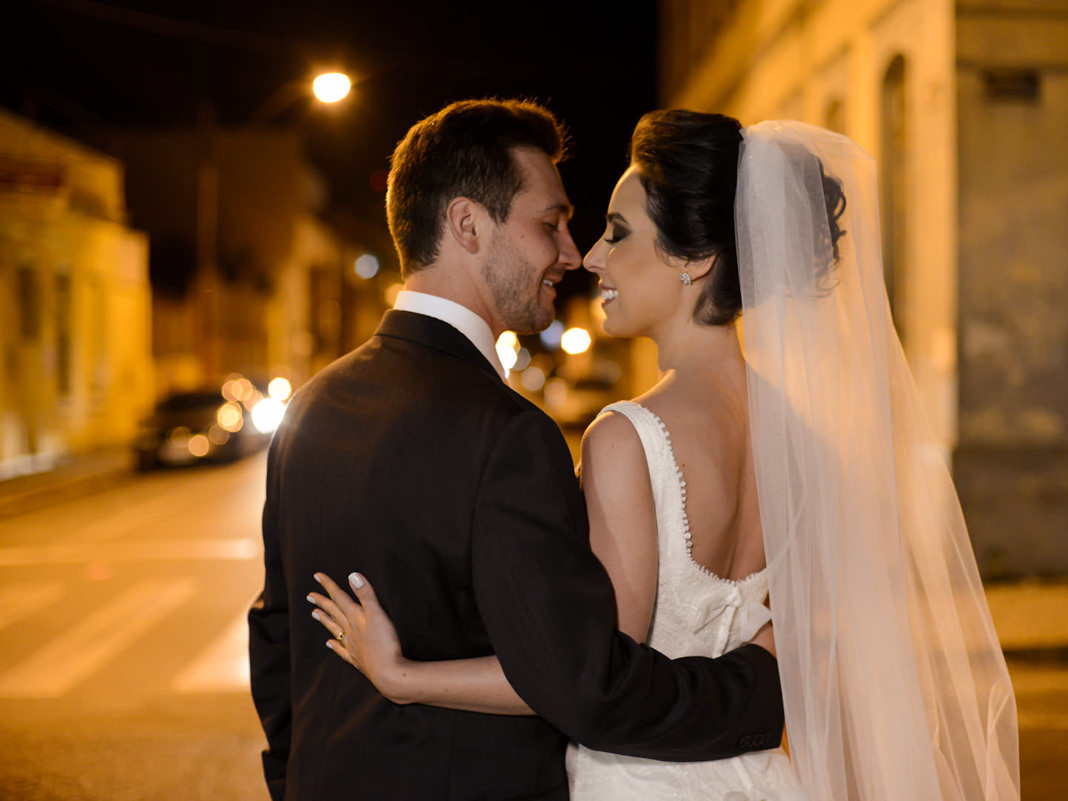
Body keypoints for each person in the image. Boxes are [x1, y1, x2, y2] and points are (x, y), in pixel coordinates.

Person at [311, 110, 1022, 801]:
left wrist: (404, 675)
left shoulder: (629, 436)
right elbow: (809, 631)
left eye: (617, 235)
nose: (589, 256)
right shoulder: (802, 434)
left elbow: (590, 682)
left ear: (696, 259)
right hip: (766, 777)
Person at [247, 99, 785, 801]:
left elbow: (277, 640)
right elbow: (584, 681)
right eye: (551, 223)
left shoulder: (308, 410)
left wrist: (297, 782)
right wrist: (771, 683)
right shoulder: (508, 434)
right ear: (467, 224)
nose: (573, 253)